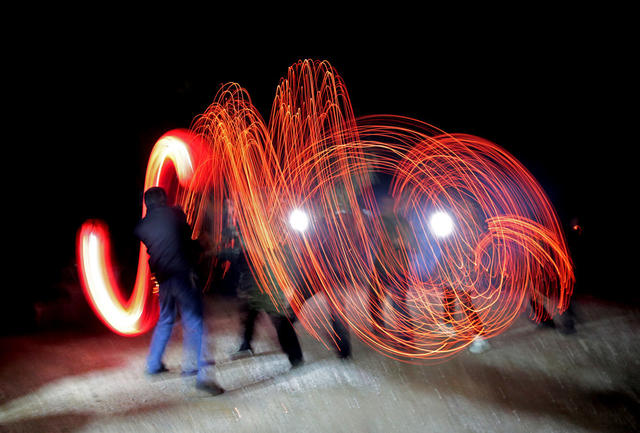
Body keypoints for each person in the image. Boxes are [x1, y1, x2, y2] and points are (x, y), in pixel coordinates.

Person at [134, 187, 223, 395]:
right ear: (164, 199)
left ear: (147, 204)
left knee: (165, 319)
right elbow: (186, 242)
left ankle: (153, 364)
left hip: (163, 280)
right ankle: (202, 376)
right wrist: (202, 245)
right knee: (196, 324)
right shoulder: (175, 215)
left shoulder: (142, 226)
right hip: (183, 277)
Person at [222, 228, 304, 368]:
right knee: (249, 317)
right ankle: (246, 345)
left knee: (280, 321)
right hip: (257, 289)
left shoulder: (258, 245)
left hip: (266, 290)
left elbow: (236, 254)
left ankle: (296, 356)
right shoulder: (255, 243)